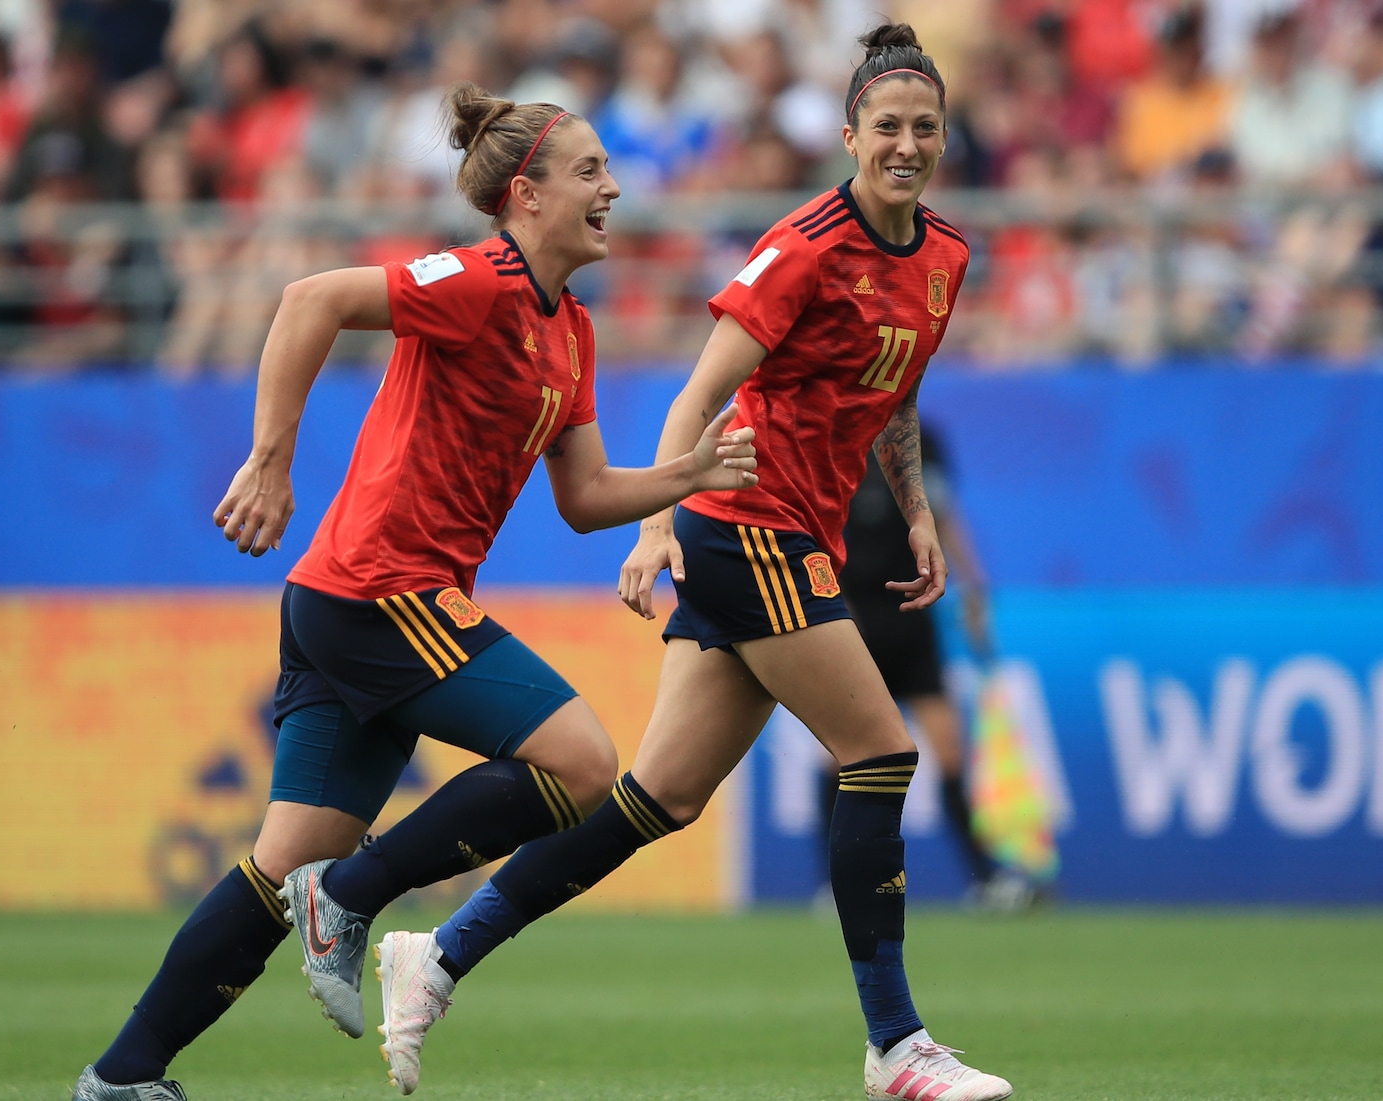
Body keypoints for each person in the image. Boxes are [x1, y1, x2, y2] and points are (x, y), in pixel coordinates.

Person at [72, 83, 759, 1101]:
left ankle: (123, 1075)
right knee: (580, 763)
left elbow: (582, 498)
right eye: (590, 171)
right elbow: (313, 298)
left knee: (280, 864)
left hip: (351, 605)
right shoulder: (475, 279)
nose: (613, 188)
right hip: (377, 591)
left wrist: (687, 476)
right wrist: (270, 460)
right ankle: (348, 901)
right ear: (525, 194)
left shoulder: (568, 331)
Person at [371, 24, 1012, 1101]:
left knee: (655, 798)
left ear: (942, 139)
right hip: (744, 518)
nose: (905, 145)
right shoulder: (804, 245)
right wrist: (656, 526)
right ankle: (896, 1045)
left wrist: (912, 511)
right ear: (849, 134)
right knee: (880, 751)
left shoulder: (943, 255)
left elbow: (891, 394)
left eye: (924, 129)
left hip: (798, 527)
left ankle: (435, 954)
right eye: (886, 127)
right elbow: (694, 394)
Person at [825, 432, 1030, 912]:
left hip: (914, 620)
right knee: (838, 760)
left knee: (951, 753)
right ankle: (830, 885)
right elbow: (816, 525)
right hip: (853, 621)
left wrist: (974, 587)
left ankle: (987, 881)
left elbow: (944, 515)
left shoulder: (923, 441)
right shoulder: (839, 431)